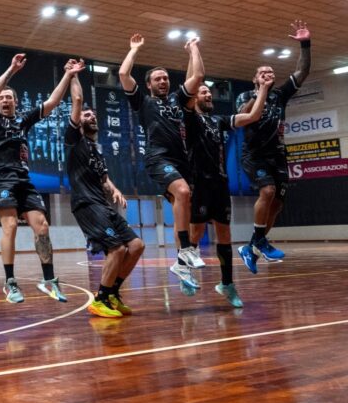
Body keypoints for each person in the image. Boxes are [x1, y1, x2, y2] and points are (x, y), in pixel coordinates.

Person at [0, 54, 82, 303]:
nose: (4, 100)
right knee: (10, 226)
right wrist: (11, 70)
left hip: (24, 181)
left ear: (16, 102)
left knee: (42, 227)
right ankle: (10, 283)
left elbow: (53, 101)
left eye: (9, 97)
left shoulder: (23, 120)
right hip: (1, 180)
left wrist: (68, 74)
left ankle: (49, 280)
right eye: (2, 98)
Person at [118, 34, 206, 288]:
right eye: (157, 79)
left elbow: (198, 76)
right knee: (183, 191)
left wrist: (193, 49)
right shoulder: (143, 102)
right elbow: (124, 74)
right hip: (158, 158)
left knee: (185, 209)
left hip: (182, 161)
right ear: (149, 85)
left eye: (165, 78)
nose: (162, 81)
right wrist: (134, 49)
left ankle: (181, 266)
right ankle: (186, 249)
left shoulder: (179, 100)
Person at [65, 66, 145, 318]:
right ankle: (100, 299)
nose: (91, 117)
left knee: (136, 245)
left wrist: (115, 189)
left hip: (102, 204)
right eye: (86, 115)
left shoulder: (95, 149)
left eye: (93, 115)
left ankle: (112, 292)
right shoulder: (74, 140)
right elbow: (77, 100)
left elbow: (104, 179)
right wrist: (73, 75)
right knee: (117, 249)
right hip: (86, 204)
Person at [187, 78, 272, 305]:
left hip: (220, 183)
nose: (208, 95)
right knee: (195, 233)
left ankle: (227, 284)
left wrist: (262, 90)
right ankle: (184, 271)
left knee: (225, 236)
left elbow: (252, 116)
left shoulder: (219, 120)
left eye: (209, 92)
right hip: (199, 182)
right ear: (193, 97)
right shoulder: (190, 118)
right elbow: (189, 88)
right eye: (203, 92)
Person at [235, 21, 312, 273]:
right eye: (263, 73)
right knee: (267, 191)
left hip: (277, 155)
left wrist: (305, 44)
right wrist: (260, 92)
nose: (268, 74)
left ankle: (253, 246)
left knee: (277, 204)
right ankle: (258, 242)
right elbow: (244, 115)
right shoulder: (246, 96)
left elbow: (302, 71)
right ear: (255, 79)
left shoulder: (280, 95)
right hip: (254, 155)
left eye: (270, 72)